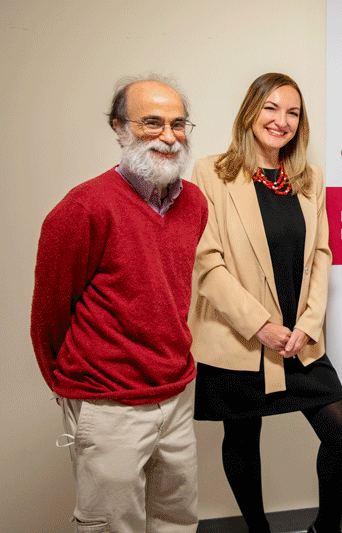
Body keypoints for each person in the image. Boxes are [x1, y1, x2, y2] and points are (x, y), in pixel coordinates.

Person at [30, 76, 208, 532]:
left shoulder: (195, 204)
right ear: (118, 127)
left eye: (177, 123)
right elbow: (49, 318)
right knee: (112, 526)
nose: (168, 136)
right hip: (109, 403)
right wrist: (75, 391)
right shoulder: (82, 208)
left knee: (177, 519)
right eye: (152, 123)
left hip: (176, 393)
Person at [190, 73, 342, 533]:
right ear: (250, 111)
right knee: (242, 436)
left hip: (298, 337)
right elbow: (206, 261)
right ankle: (258, 531)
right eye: (271, 108)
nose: (281, 121)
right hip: (238, 337)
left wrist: (309, 322)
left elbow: (321, 254)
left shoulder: (308, 179)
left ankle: (326, 529)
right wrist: (258, 324)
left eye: (293, 112)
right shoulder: (211, 173)